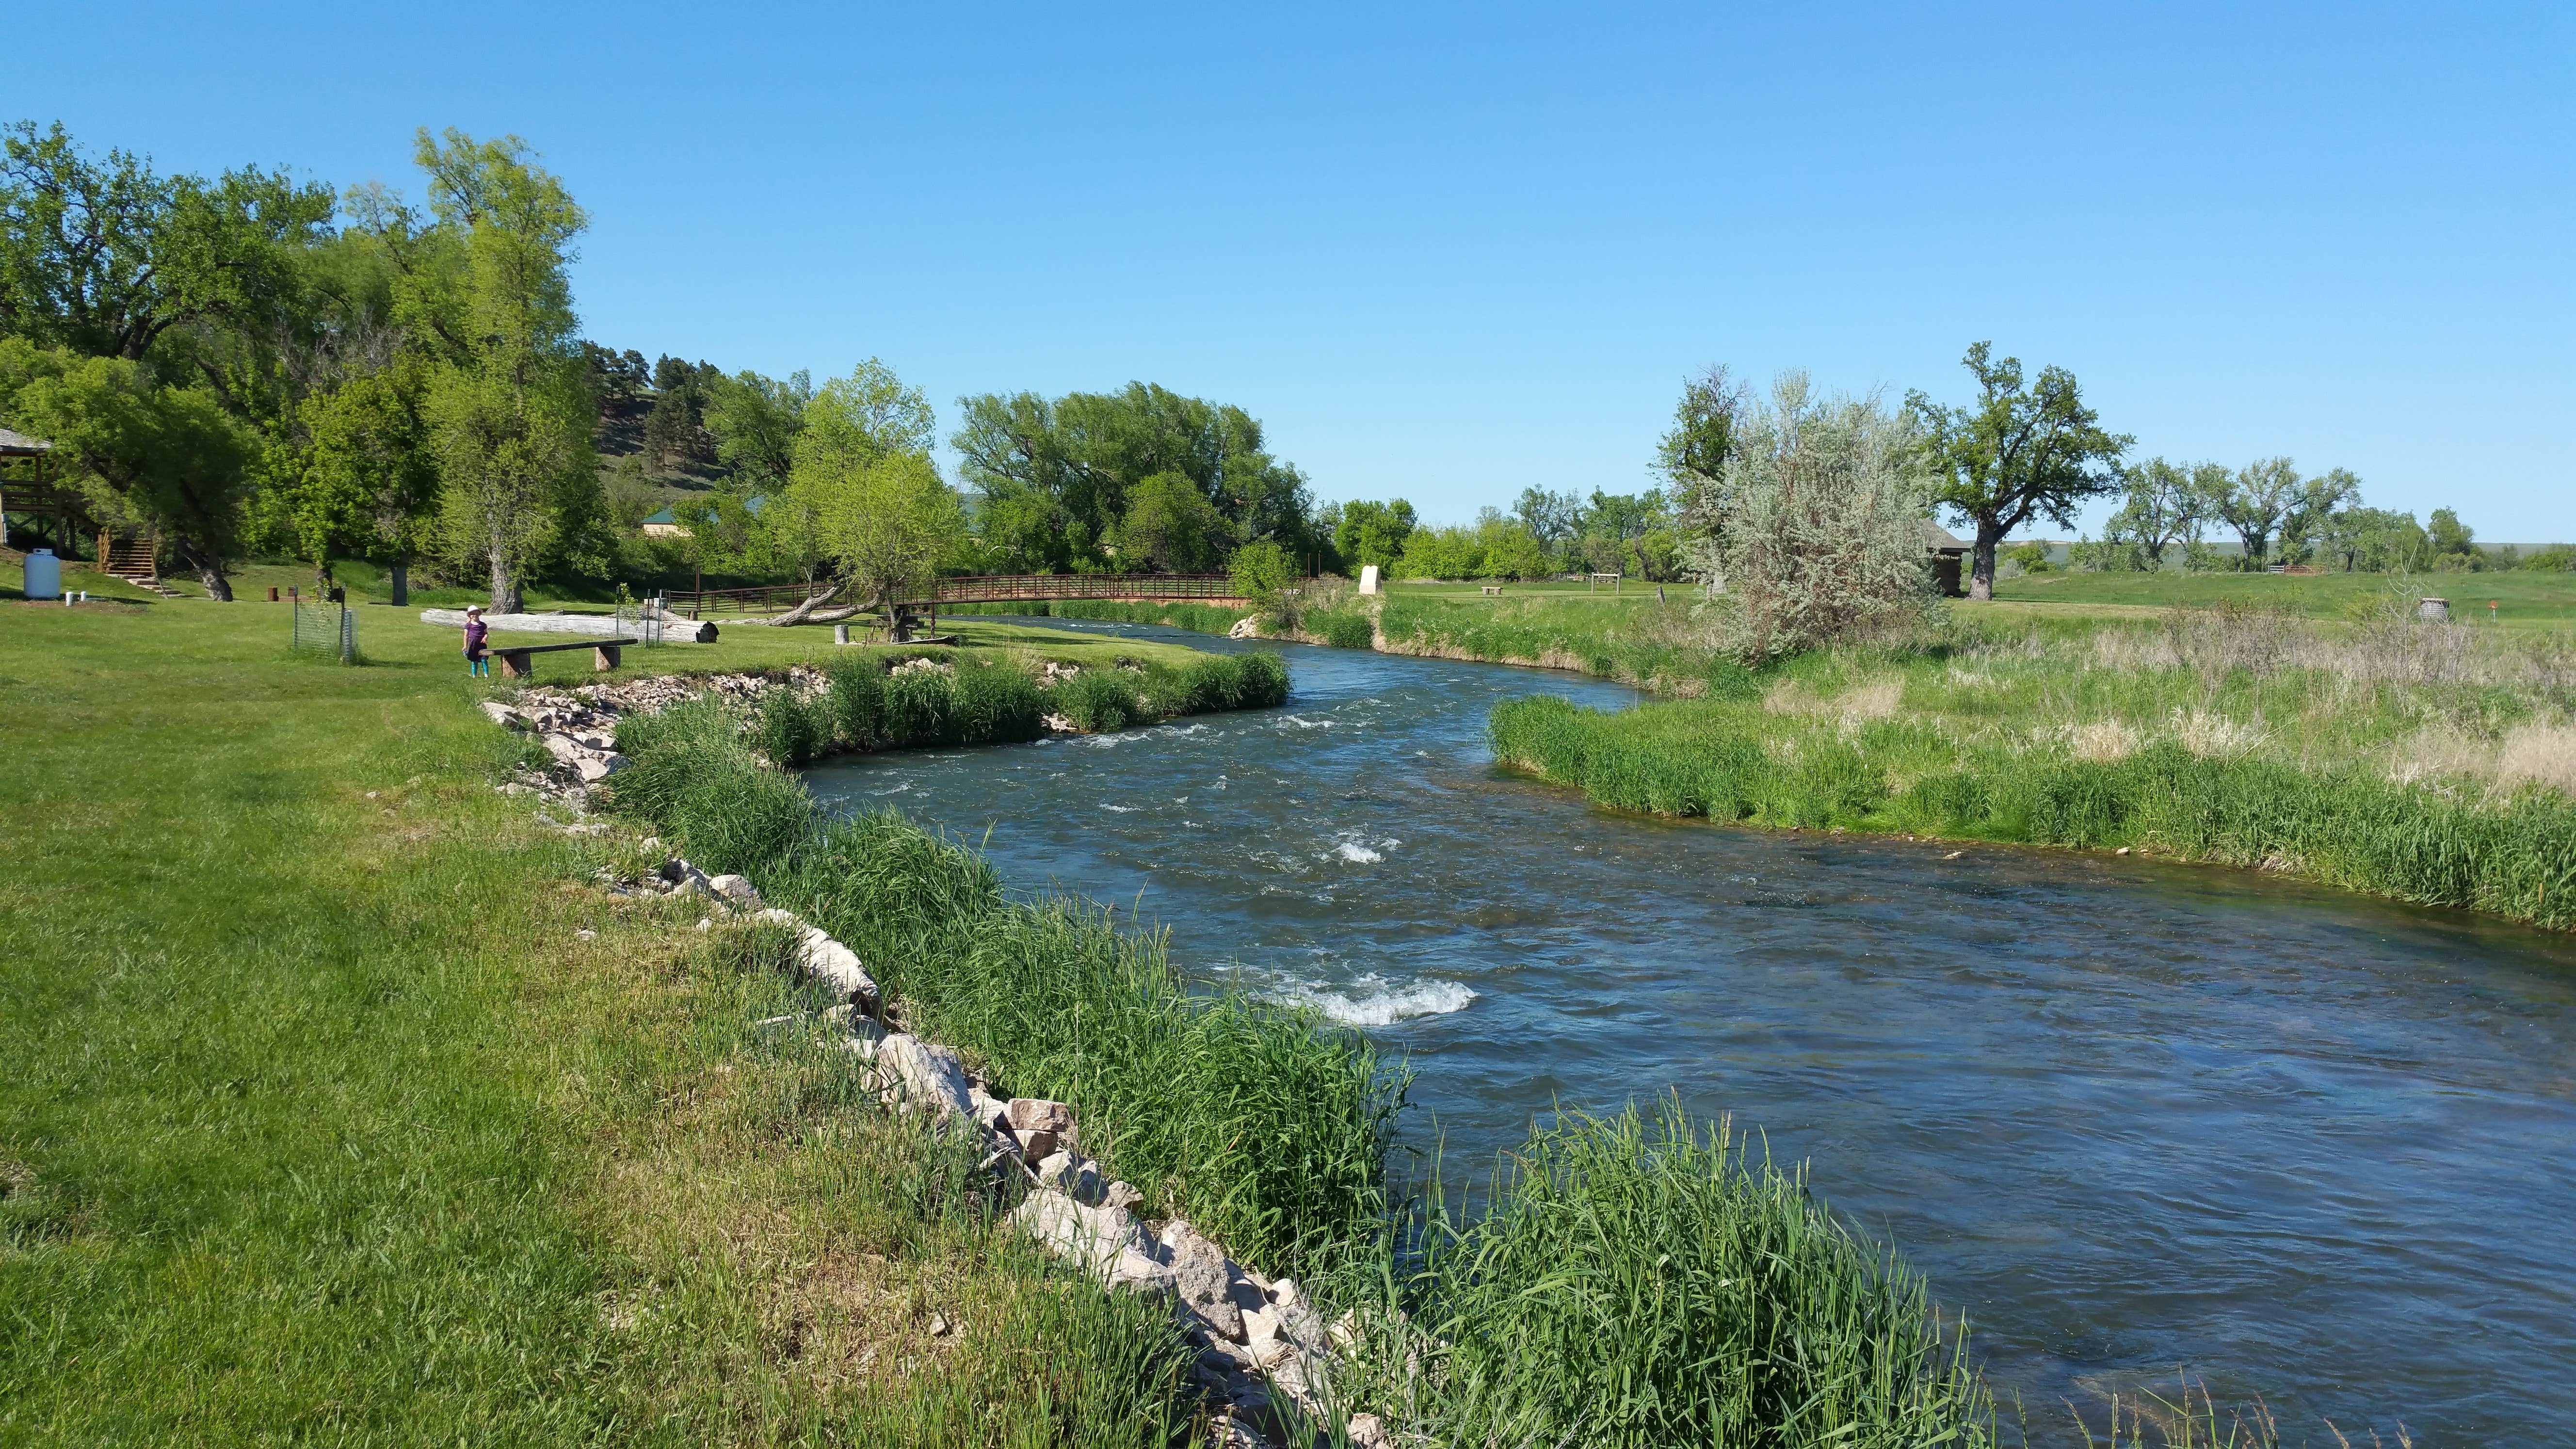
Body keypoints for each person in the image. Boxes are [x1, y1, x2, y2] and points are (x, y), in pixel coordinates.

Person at [463, 605, 490, 677]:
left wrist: (486, 637)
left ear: (479, 614)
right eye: (472, 614)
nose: (475, 615)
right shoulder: (468, 625)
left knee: (484, 660)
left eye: (476, 613)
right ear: (470, 616)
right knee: (474, 661)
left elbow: (486, 633)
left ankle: (486, 675)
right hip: (473, 646)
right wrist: (465, 646)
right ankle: (474, 675)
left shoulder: (483, 625)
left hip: (482, 645)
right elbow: (466, 636)